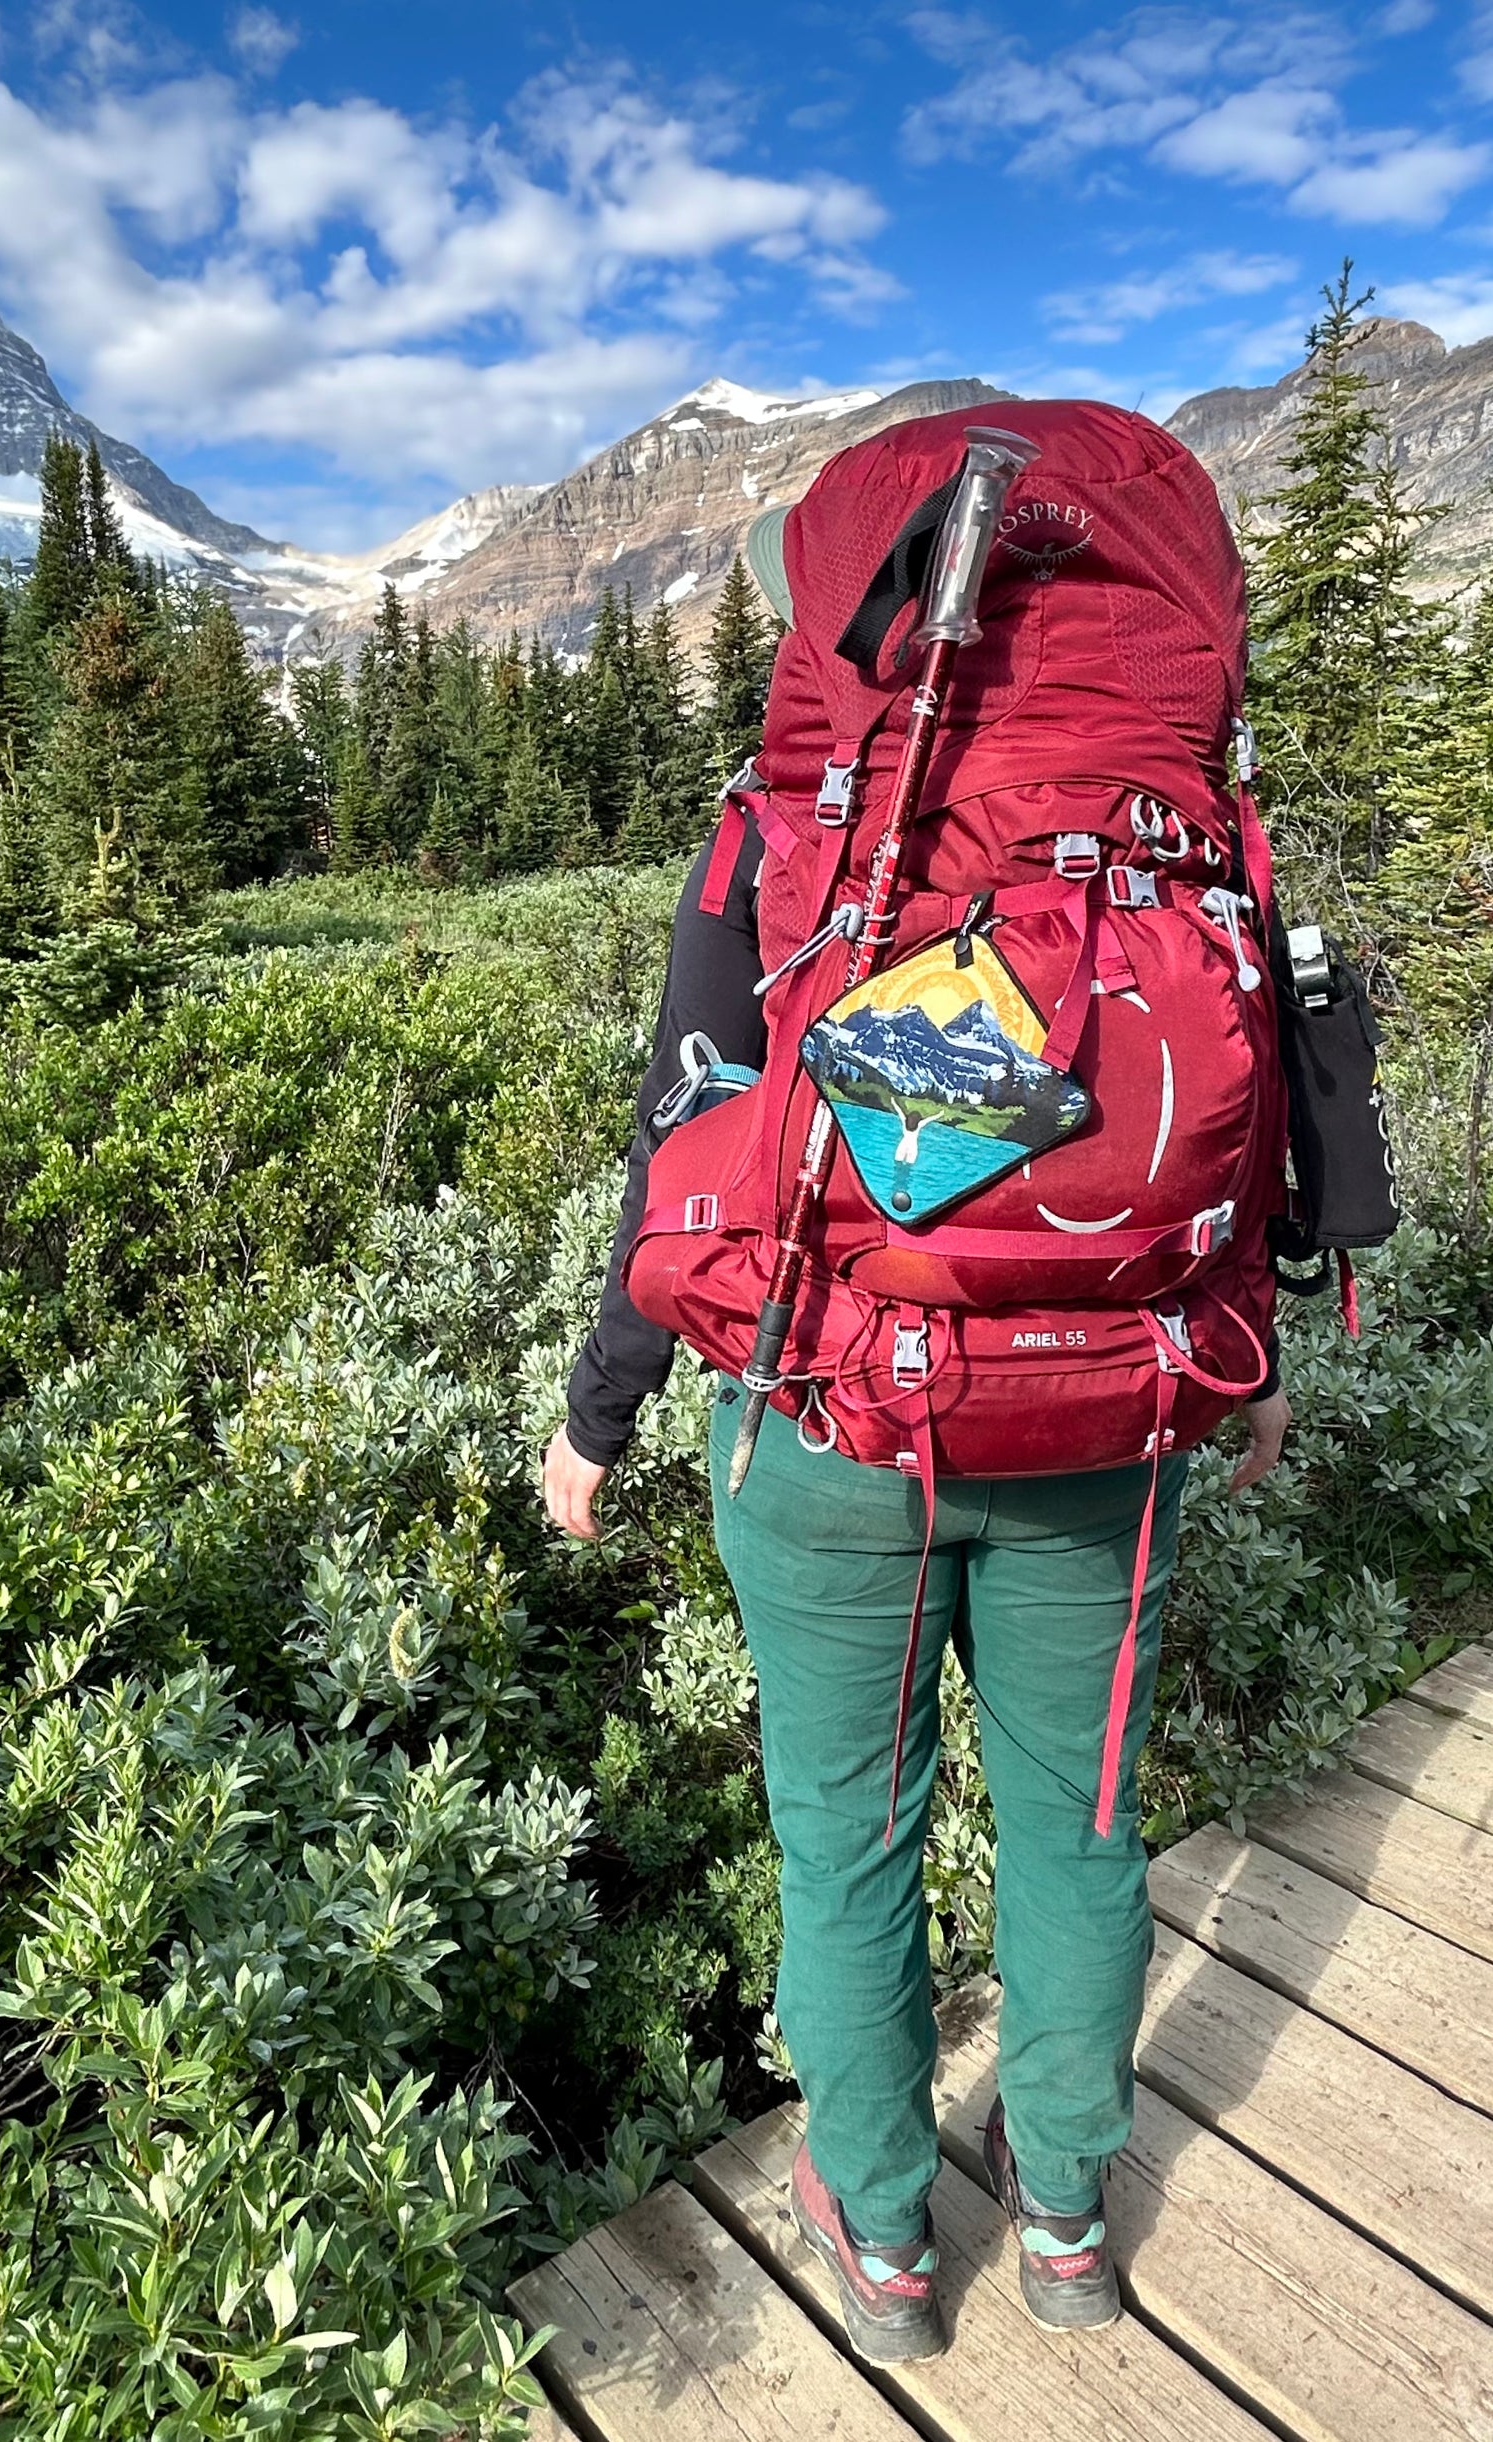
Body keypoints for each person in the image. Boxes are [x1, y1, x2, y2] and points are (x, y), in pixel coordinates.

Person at [541, 586, 1292, 2360]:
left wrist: (601, 1407)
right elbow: (1244, 1104)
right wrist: (1251, 1344)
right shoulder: (1166, 825)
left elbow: (689, 1146)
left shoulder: (785, 822)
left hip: (823, 1423)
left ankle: (882, 2235)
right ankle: (1062, 2214)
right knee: (1079, 1820)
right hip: (1106, 1417)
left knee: (848, 1838)